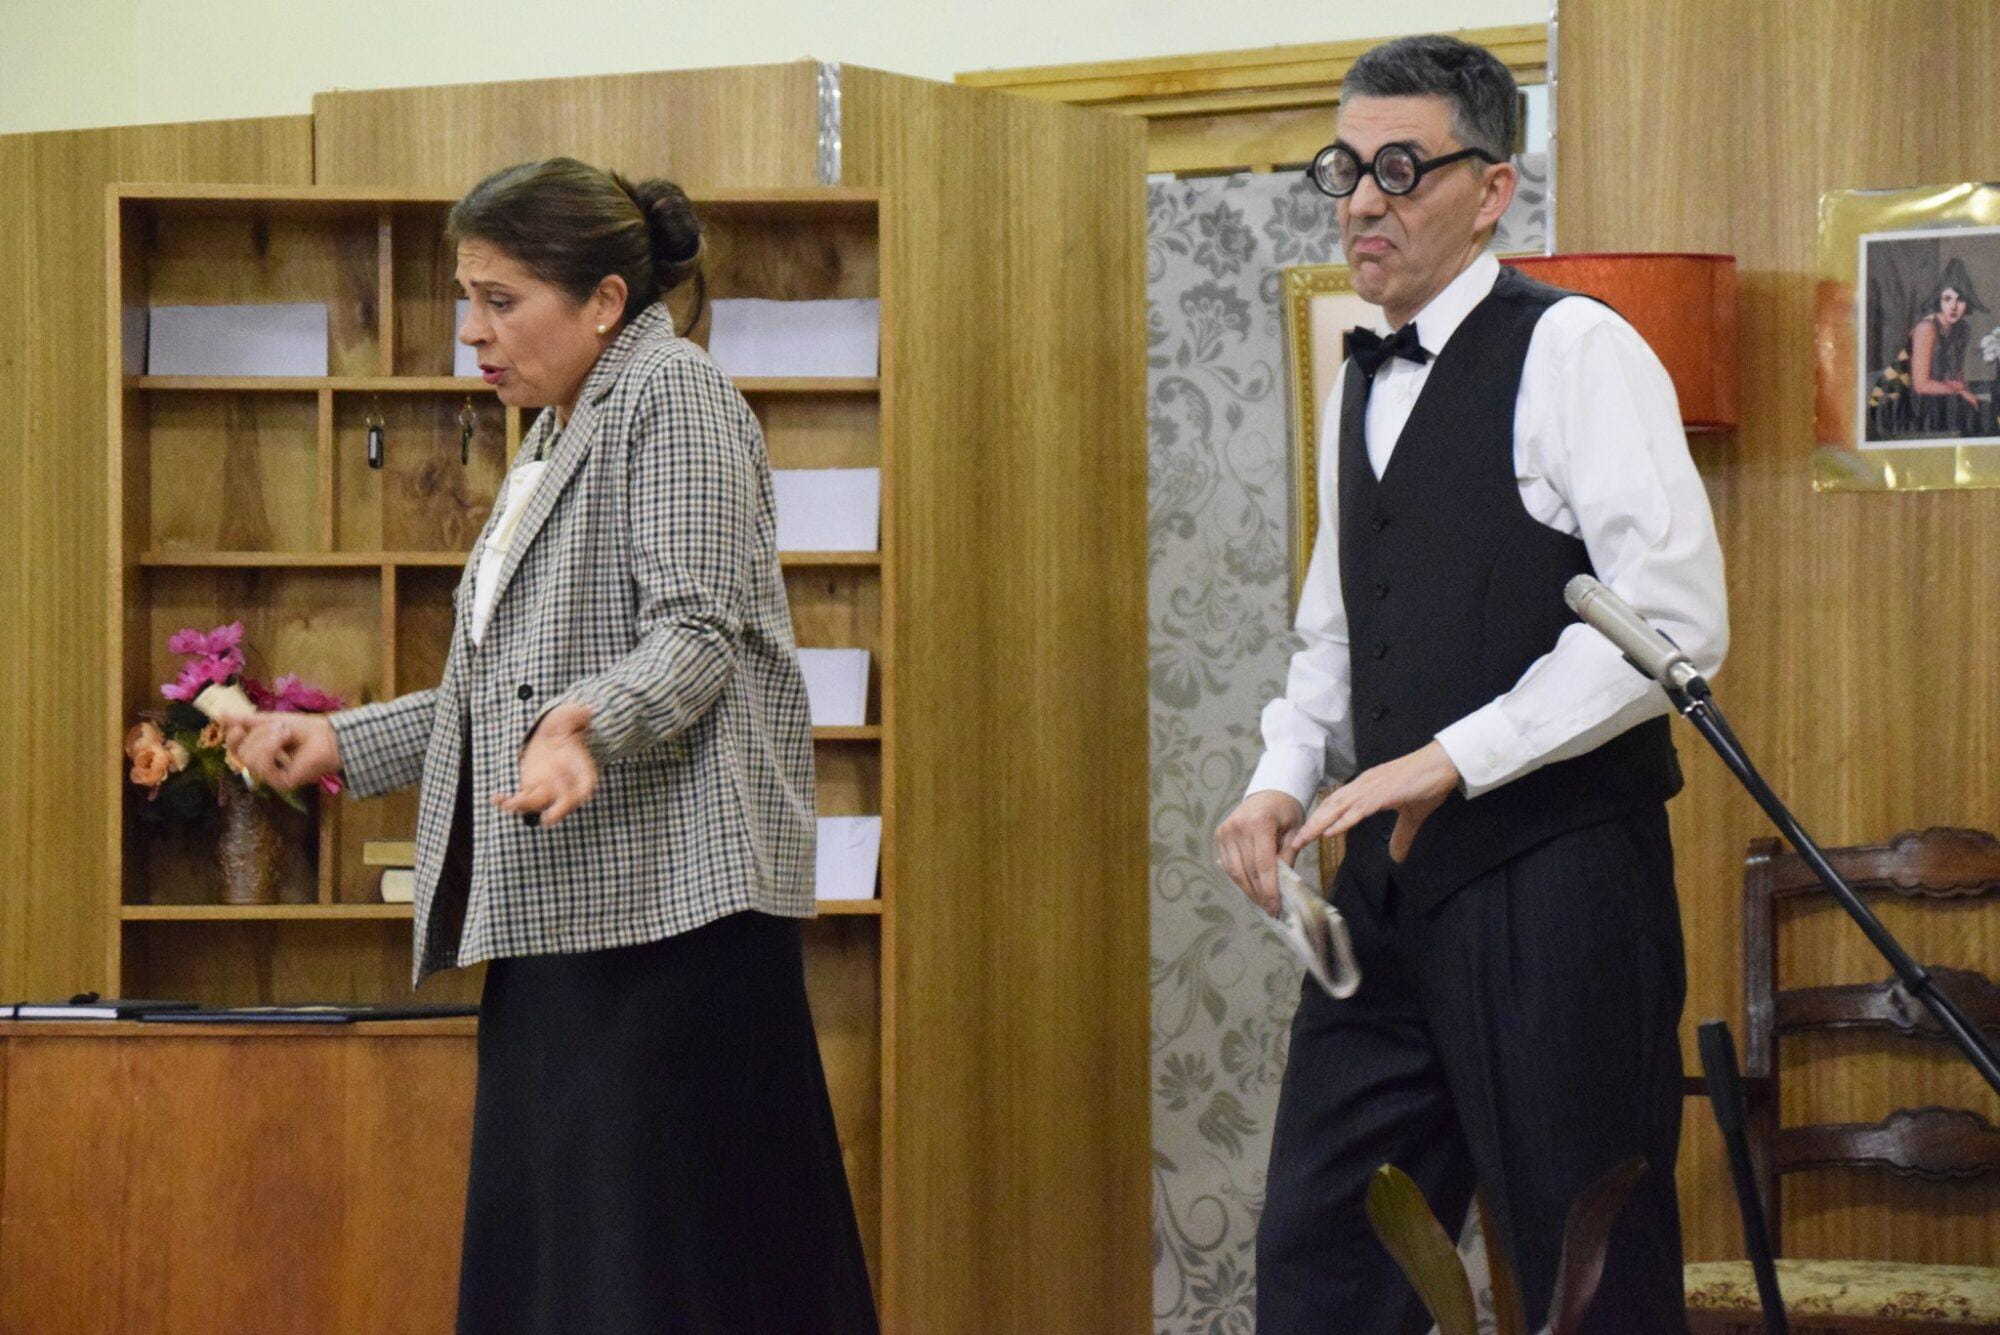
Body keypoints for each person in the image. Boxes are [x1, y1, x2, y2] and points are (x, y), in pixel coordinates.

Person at [225, 157, 878, 1335]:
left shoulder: (674, 395)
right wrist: (337, 742)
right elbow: (495, 694)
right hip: (567, 912)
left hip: (666, 927)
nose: (469, 331)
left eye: (500, 299)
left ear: (605, 302)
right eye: (464, 297)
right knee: (564, 1273)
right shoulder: (547, 440)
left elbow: (697, 632)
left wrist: (592, 725)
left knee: (656, 1280)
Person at [1213, 35, 1727, 1334]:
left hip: (1556, 888)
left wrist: (1457, 755)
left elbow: (1669, 621)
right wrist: (1280, 778)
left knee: (1583, 1270)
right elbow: (1335, 632)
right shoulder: (1361, 375)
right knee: (1322, 1257)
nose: (1360, 200)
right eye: (1344, 167)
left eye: (1399, 168)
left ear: (1492, 187)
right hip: (1386, 899)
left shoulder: (1578, 350)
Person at [1869, 255, 1989, 438]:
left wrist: (1964, 391)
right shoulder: (1927, 328)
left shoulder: (1962, 329)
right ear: (1939, 300)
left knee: (1984, 410)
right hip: (1898, 402)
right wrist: (1958, 390)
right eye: (1947, 298)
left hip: (1931, 397)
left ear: (1968, 302)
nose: (1953, 306)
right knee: (1970, 415)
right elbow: (1921, 385)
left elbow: (1955, 372)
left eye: (1960, 300)